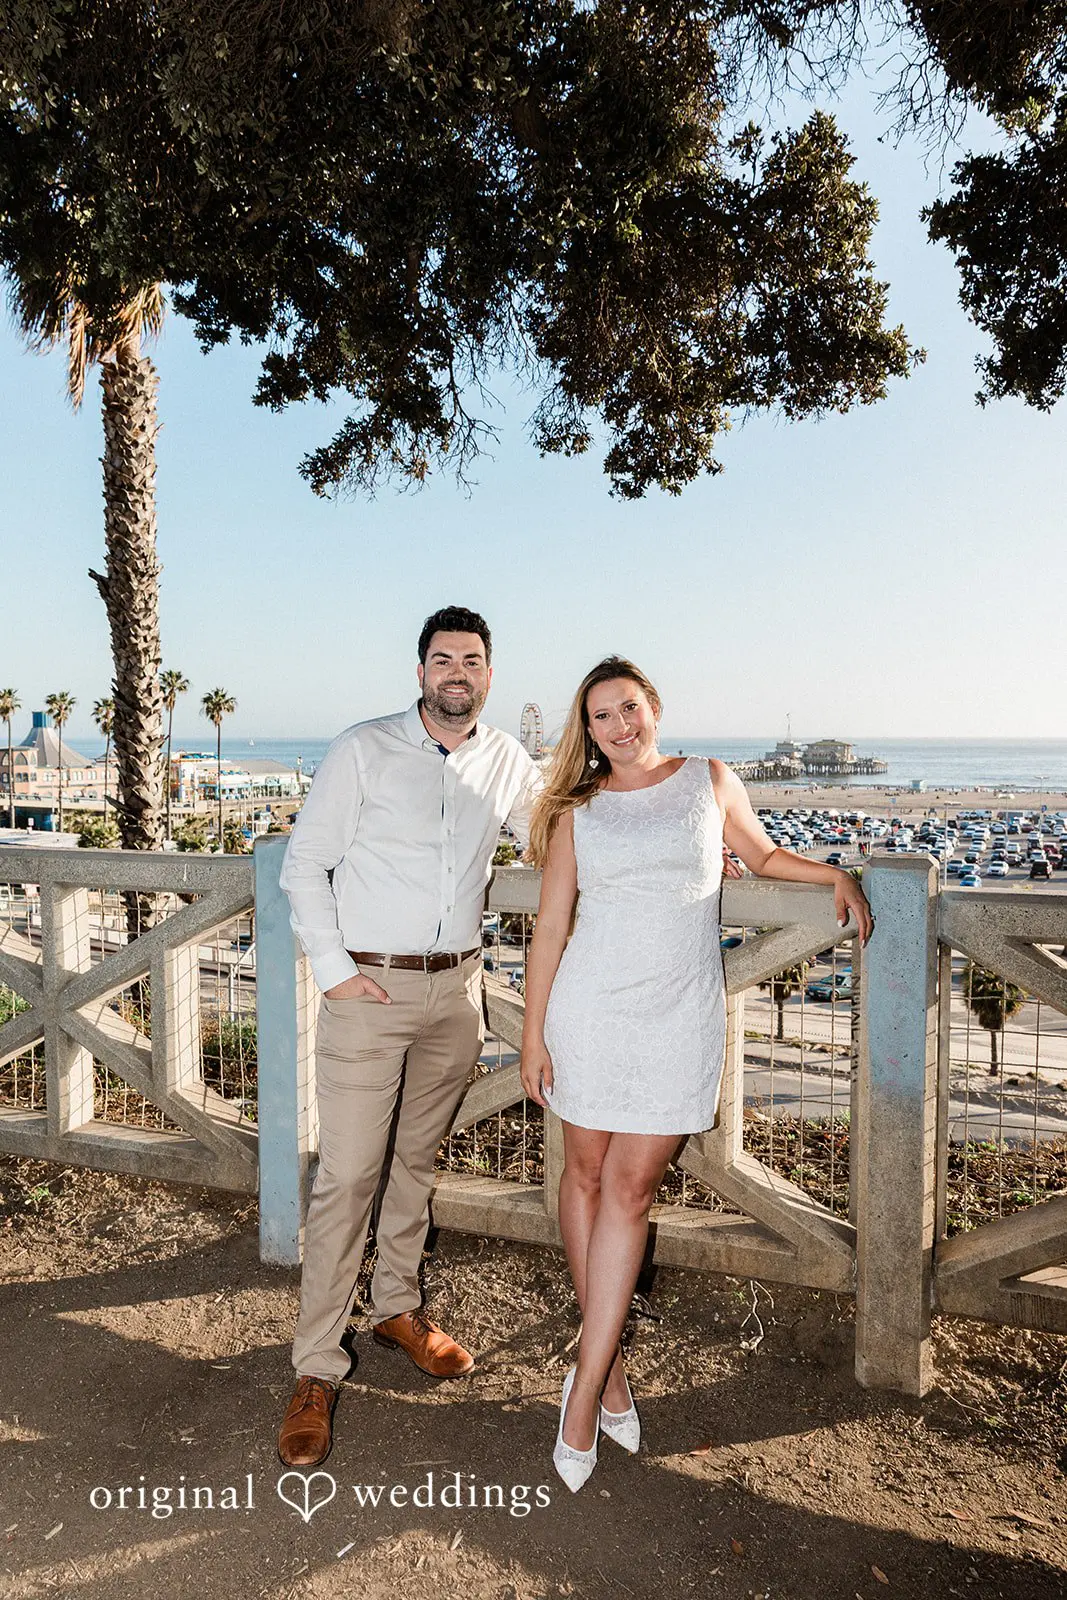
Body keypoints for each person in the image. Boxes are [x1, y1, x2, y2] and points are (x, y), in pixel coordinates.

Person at [519, 656, 873, 1492]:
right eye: (601, 716)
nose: (618, 725)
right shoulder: (577, 811)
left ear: (653, 708)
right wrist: (533, 1035)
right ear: (587, 730)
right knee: (583, 1174)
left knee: (630, 1190)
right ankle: (601, 1377)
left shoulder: (709, 780)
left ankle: (586, 1376)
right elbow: (547, 928)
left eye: (629, 708)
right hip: (590, 1012)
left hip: (677, 1014)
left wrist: (835, 872)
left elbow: (761, 853)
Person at [276, 606, 541, 1468]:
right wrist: (333, 971)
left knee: (416, 1165)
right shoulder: (363, 748)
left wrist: (706, 843)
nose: (456, 672)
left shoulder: (506, 760)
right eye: (441, 659)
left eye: (471, 660)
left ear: (488, 675)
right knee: (347, 1175)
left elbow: (565, 830)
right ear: (419, 671)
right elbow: (302, 864)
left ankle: (394, 1309)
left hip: (454, 992)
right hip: (368, 990)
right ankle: (315, 1366)